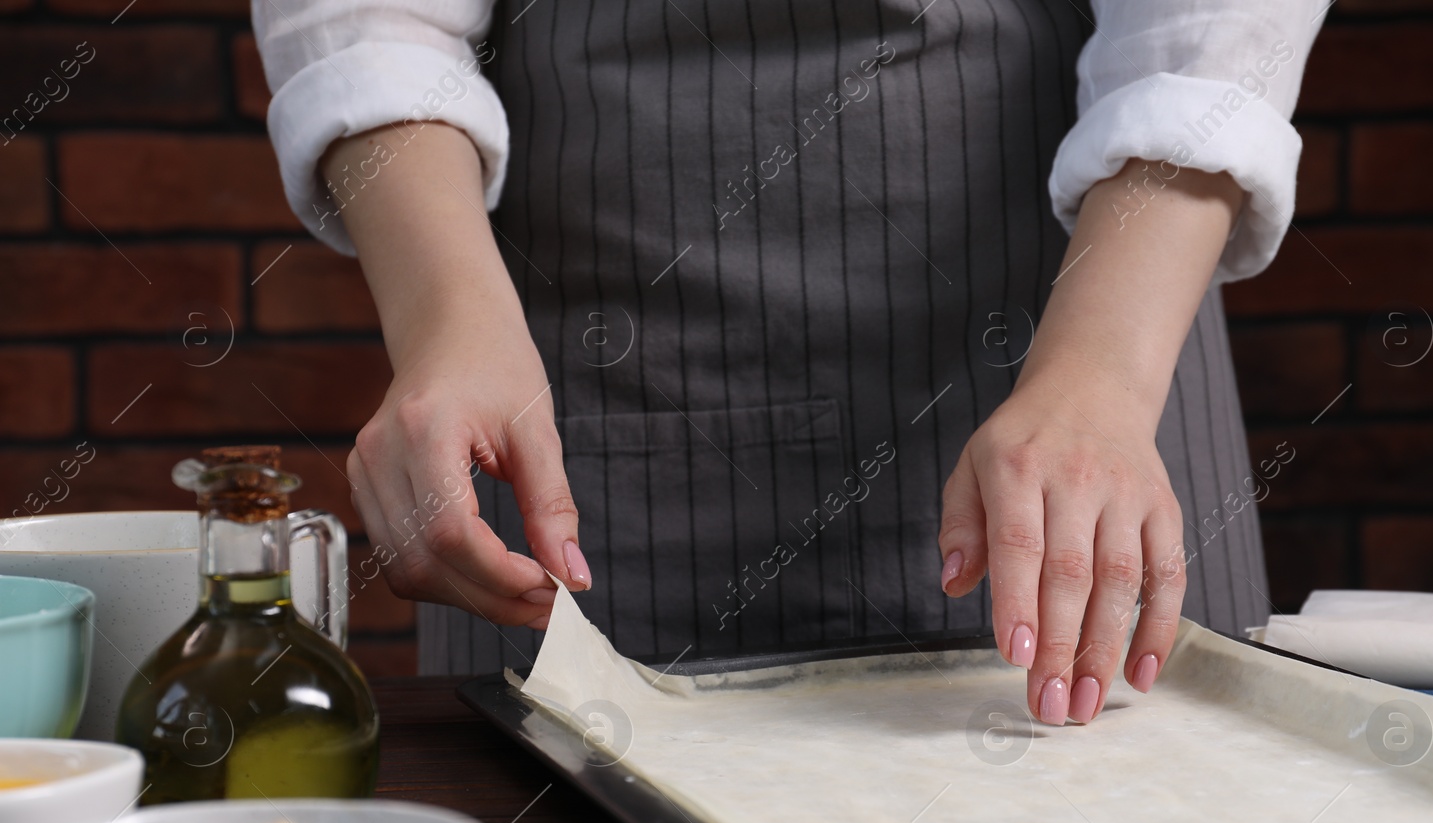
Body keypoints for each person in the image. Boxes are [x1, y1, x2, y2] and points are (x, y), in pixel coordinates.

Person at [254, 0, 1325, 725]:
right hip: (592, 374)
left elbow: (1218, 28)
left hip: (1089, 328)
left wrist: (1100, 377)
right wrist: (445, 319)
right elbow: (372, 18)